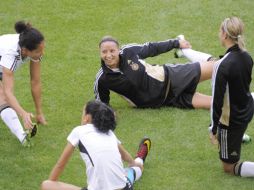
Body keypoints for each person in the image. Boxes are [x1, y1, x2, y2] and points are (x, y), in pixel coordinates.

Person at [41, 100, 151, 190]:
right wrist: (133, 163)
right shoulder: (109, 133)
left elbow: (60, 164)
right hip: (125, 188)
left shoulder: (78, 131)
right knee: (132, 172)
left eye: (83, 112)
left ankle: (139, 161)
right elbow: (124, 155)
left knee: (46, 185)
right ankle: (140, 160)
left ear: (87, 118)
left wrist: (52, 183)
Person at [94, 35, 215, 110]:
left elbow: (151, 48)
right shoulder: (103, 79)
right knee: (215, 103)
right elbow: (102, 104)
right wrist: (108, 114)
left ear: (118, 50)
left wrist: (176, 43)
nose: (108, 55)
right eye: (104, 52)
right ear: (100, 52)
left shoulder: (128, 51)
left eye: (112, 51)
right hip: (165, 101)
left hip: (170, 77)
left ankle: (189, 52)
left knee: (216, 67)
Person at [208, 17, 254, 177]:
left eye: (220, 31)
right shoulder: (247, 57)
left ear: (225, 35)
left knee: (228, 168)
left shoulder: (222, 66)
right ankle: (239, 136)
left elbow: (216, 101)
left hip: (232, 122)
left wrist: (213, 129)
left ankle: (236, 137)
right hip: (247, 110)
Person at [0, 21, 47, 146]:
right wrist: (23, 113)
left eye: (43, 49)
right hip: (3, 65)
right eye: (38, 51)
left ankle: (23, 138)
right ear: (25, 51)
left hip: (1, 66)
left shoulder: (33, 49)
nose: (42, 53)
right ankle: (22, 137)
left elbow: (35, 81)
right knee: (2, 97)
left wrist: (39, 112)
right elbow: (8, 92)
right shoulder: (11, 53)